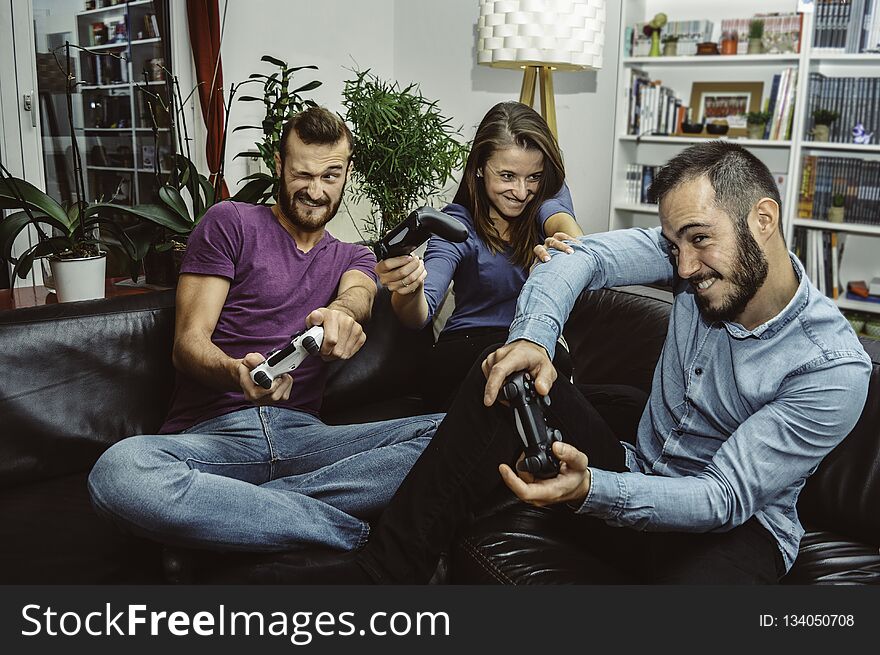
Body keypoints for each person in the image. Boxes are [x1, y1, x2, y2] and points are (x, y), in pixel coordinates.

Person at [270, 140, 872, 584]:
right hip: (639, 465)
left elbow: (721, 498)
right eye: (674, 245)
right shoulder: (690, 254)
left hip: (729, 531)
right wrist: (532, 337)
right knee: (505, 371)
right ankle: (379, 578)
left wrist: (593, 491)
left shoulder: (830, 369)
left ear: (763, 220)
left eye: (700, 240)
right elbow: (573, 258)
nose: (683, 269)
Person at [87, 107, 442, 553]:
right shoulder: (230, 222)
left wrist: (340, 314)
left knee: (458, 432)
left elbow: (356, 297)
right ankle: (352, 536)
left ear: (347, 171)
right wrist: (236, 372)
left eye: (331, 176)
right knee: (119, 473)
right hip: (214, 441)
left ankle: (241, 514)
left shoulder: (354, 257)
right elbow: (188, 344)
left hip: (306, 443)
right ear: (278, 164)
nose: (316, 191)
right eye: (302, 174)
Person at [376, 101, 583, 410]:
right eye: (508, 176)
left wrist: (573, 246)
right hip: (465, 350)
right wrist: (408, 286)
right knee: (516, 372)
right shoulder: (457, 222)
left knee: (616, 398)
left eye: (534, 177)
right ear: (480, 168)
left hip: (530, 343)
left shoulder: (544, 199)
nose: (522, 191)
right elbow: (418, 315)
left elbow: (559, 219)